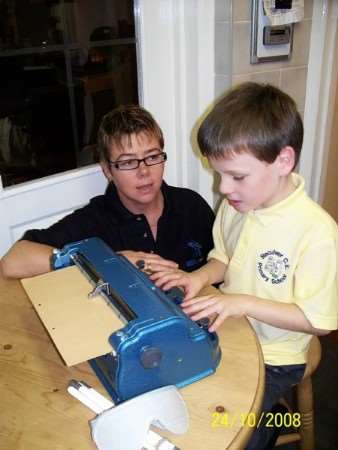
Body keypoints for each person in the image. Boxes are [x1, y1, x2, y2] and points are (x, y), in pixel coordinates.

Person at [151, 82, 338, 449]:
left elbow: (319, 322)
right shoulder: (239, 206)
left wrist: (241, 303)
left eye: (237, 176)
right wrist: (198, 277)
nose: (224, 187)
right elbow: (224, 257)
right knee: (172, 386)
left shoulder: (318, 234)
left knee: (228, 430)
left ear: (283, 161)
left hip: (277, 356)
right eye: (219, 174)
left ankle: (269, 424)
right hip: (230, 332)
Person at [0, 105, 215, 279]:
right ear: (108, 170)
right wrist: (105, 261)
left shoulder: (191, 205)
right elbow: (12, 262)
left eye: (152, 157)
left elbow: (225, 264)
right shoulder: (95, 219)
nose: (144, 171)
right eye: (128, 162)